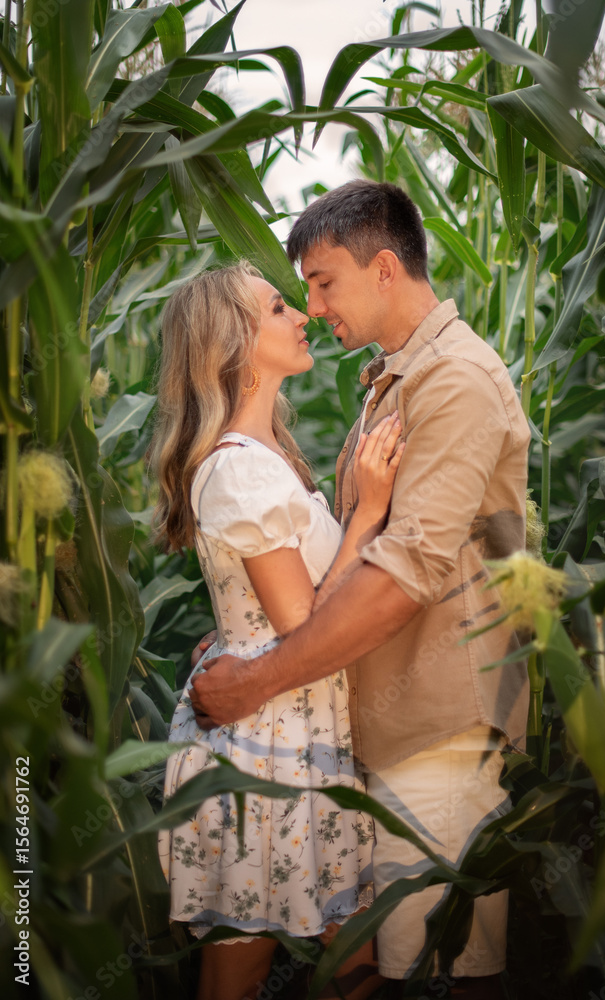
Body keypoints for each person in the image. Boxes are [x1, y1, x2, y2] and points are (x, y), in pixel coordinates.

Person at [190, 181, 531, 999]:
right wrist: (245, 640)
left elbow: (401, 580)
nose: (313, 306)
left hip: (440, 735)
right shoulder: (395, 380)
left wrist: (253, 677)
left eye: (321, 283)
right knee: (387, 968)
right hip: (381, 737)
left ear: (384, 269)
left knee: (440, 976)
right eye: (297, 294)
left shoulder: (453, 382)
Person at [151, 262, 404, 1000]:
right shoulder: (243, 473)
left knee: (349, 952)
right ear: (233, 344)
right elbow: (306, 621)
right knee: (253, 963)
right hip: (268, 749)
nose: (301, 315)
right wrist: (369, 512)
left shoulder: (267, 462)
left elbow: (266, 609)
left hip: (299, 734)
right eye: (277, 307)